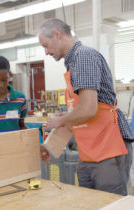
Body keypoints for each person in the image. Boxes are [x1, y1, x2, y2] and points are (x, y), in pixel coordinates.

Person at [38, 18, 134, 195]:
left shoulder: (83, 57)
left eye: (46, 45)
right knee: (89, 202)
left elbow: (89, 109)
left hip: (108, 150)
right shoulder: (72, 64)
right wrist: (51, 146)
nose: (46, 52)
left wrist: (61, 121)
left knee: (110, 204)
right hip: (89, 152)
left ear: (57, 35)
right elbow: (78, 114)